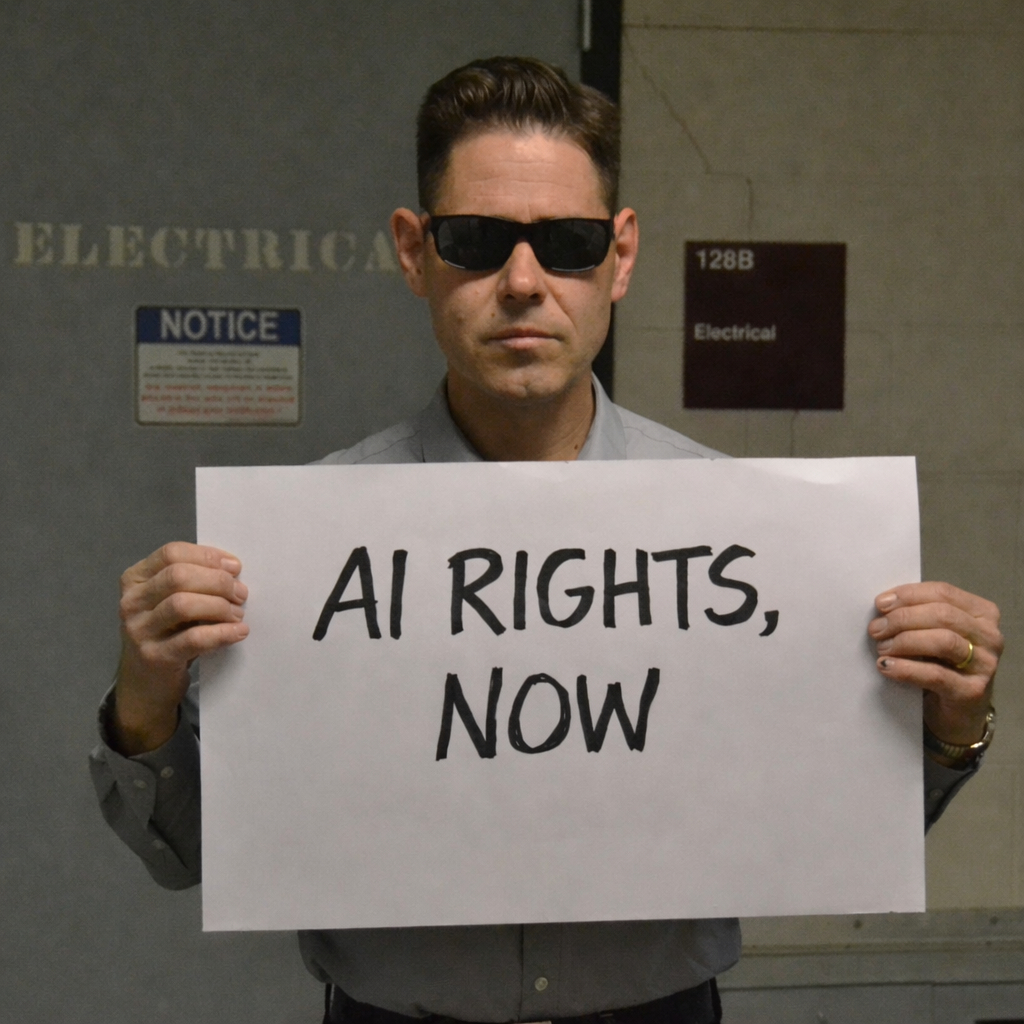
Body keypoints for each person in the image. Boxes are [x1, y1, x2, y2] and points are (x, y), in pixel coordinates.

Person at [91, 57, 1004, 1024]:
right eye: (476, 241)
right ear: (414, 253)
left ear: (621, 255)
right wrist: (144, 703)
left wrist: (952, 727)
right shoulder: (302, 553)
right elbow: (188, 856)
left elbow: (833, 826)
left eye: (566, 243)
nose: (523, 283)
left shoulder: (745, 540)